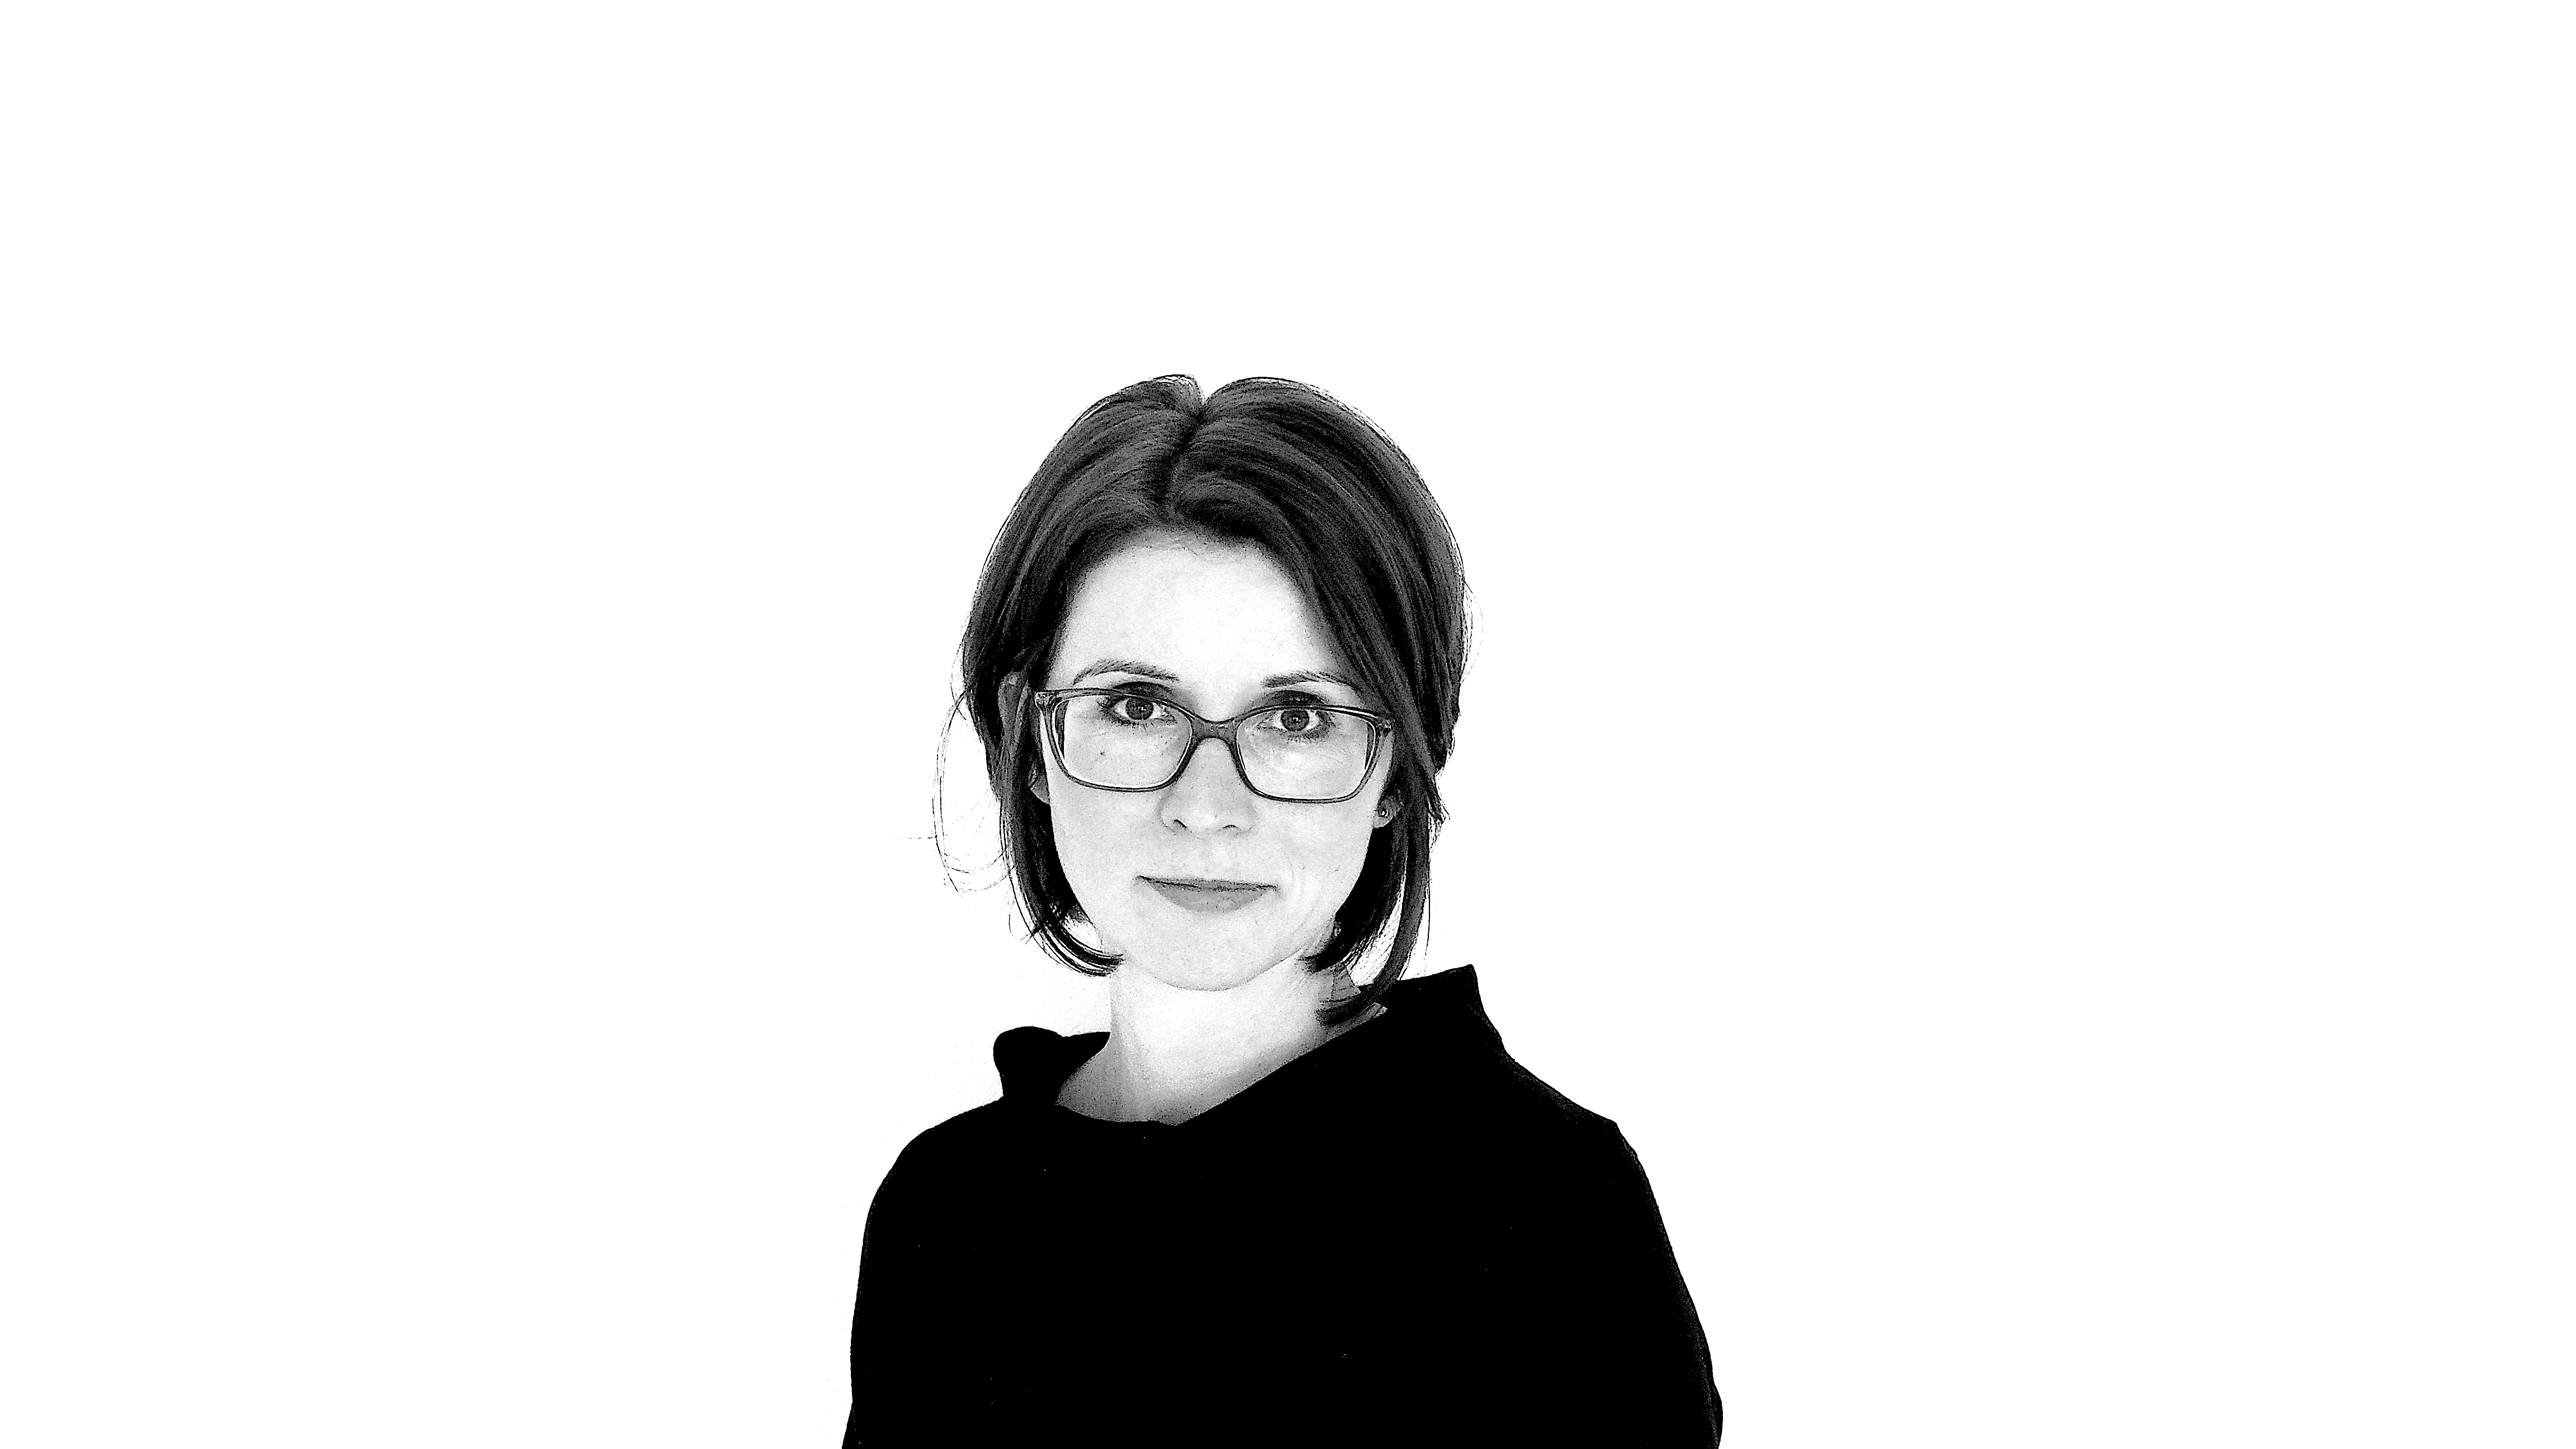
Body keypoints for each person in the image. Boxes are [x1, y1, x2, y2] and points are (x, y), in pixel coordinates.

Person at [842, 376, 1722, 1446]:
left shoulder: (1548, 1214)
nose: (1208, 806)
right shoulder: (943, 1212)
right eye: (1136, 706)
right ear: (1031, 739)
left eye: (1296, 717)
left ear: (1397, 765)